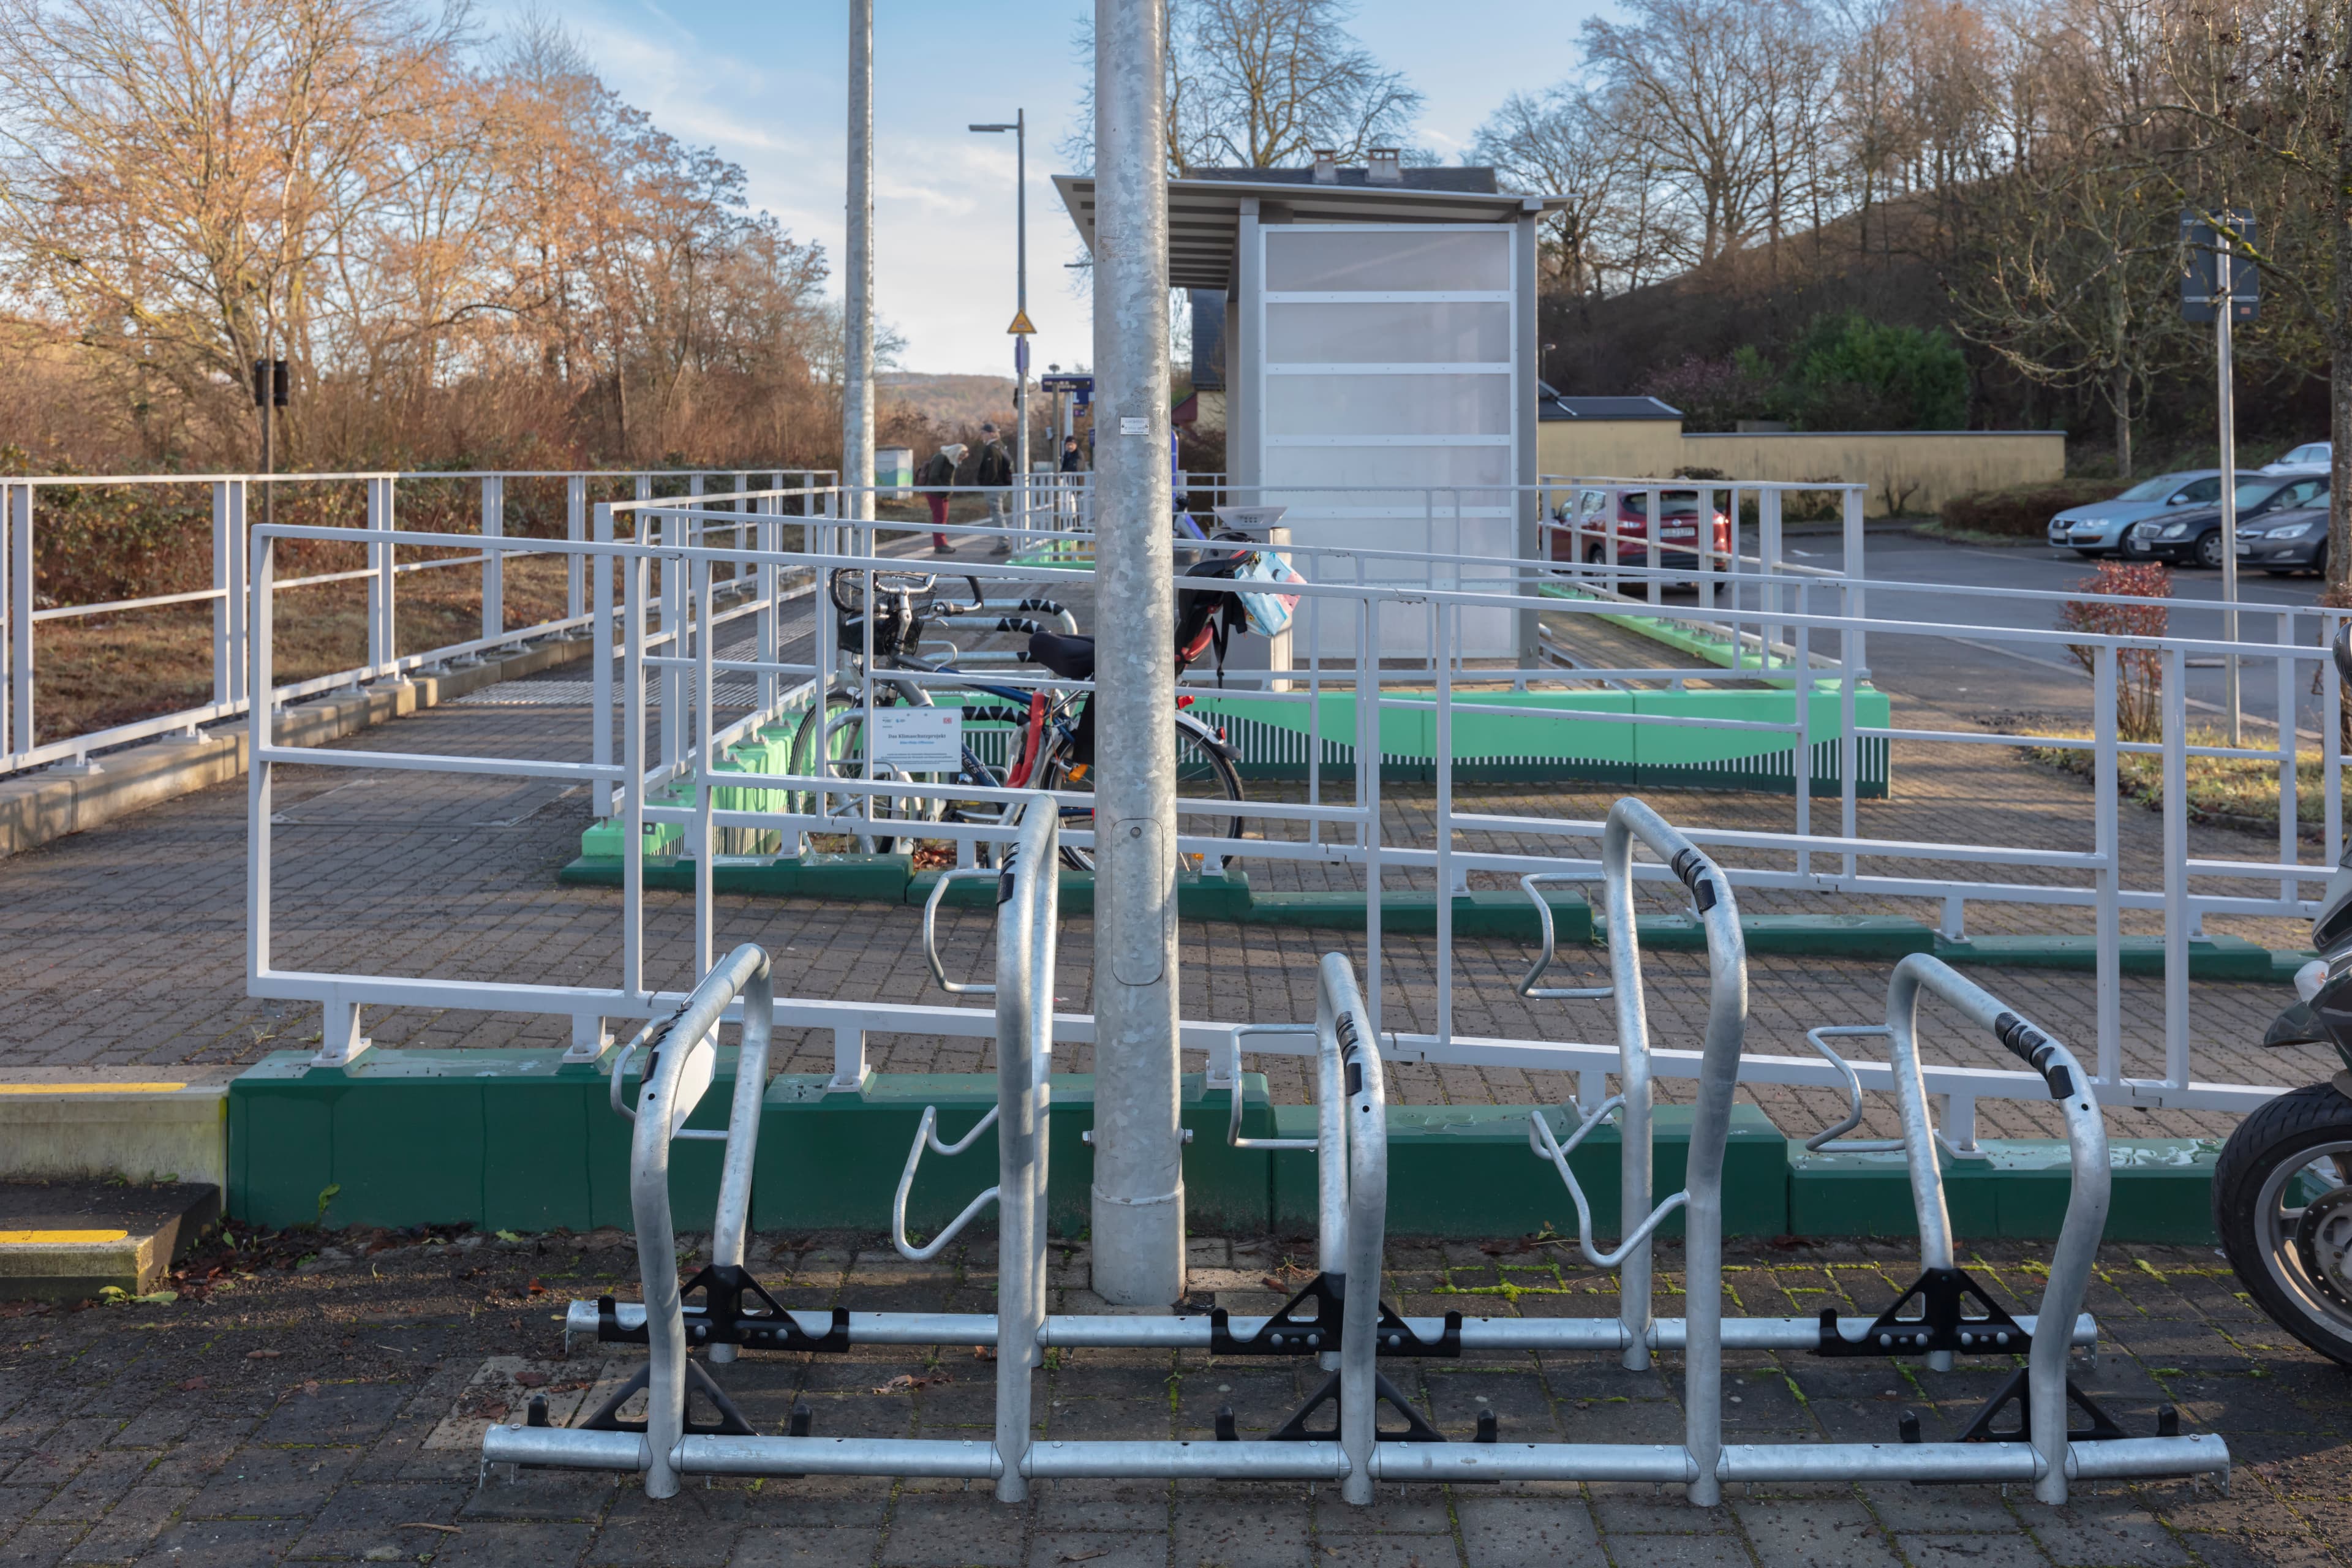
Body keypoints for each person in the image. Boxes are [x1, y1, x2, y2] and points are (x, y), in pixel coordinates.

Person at [974, 422, 1014, 554]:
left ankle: (1003, 543)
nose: (982, 437)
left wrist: (986, 484)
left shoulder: (991, 448)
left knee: (997, 514)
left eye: (983, 433)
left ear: (991, 434)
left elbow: (992, 470)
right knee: (999, 513)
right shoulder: (1001, 446)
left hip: (995, 487)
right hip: (1002, 486)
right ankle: (1004, 542)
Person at [919, 442, 965, 553]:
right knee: (939, 518)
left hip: (943, 494)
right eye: (961, 456)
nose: (961, 459)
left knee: (942, 518)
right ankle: (940, 545)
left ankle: (942, 543)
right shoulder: (941, 458)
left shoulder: (950, 460)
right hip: (936, 493)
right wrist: (944, 489)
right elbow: (934, 476)